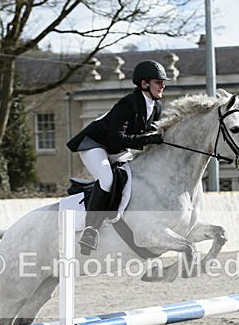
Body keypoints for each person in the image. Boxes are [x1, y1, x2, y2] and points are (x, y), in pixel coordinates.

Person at [66, 60, 167, 254]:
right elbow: (115, 140)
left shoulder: (156, 107)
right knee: (107, 179)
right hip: (95, 145)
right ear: (144, 84)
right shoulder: (128, 104)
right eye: (158, 82)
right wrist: (147, 139)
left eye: (163, 82)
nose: (163, 85)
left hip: (119, 148)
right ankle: (90, 230)